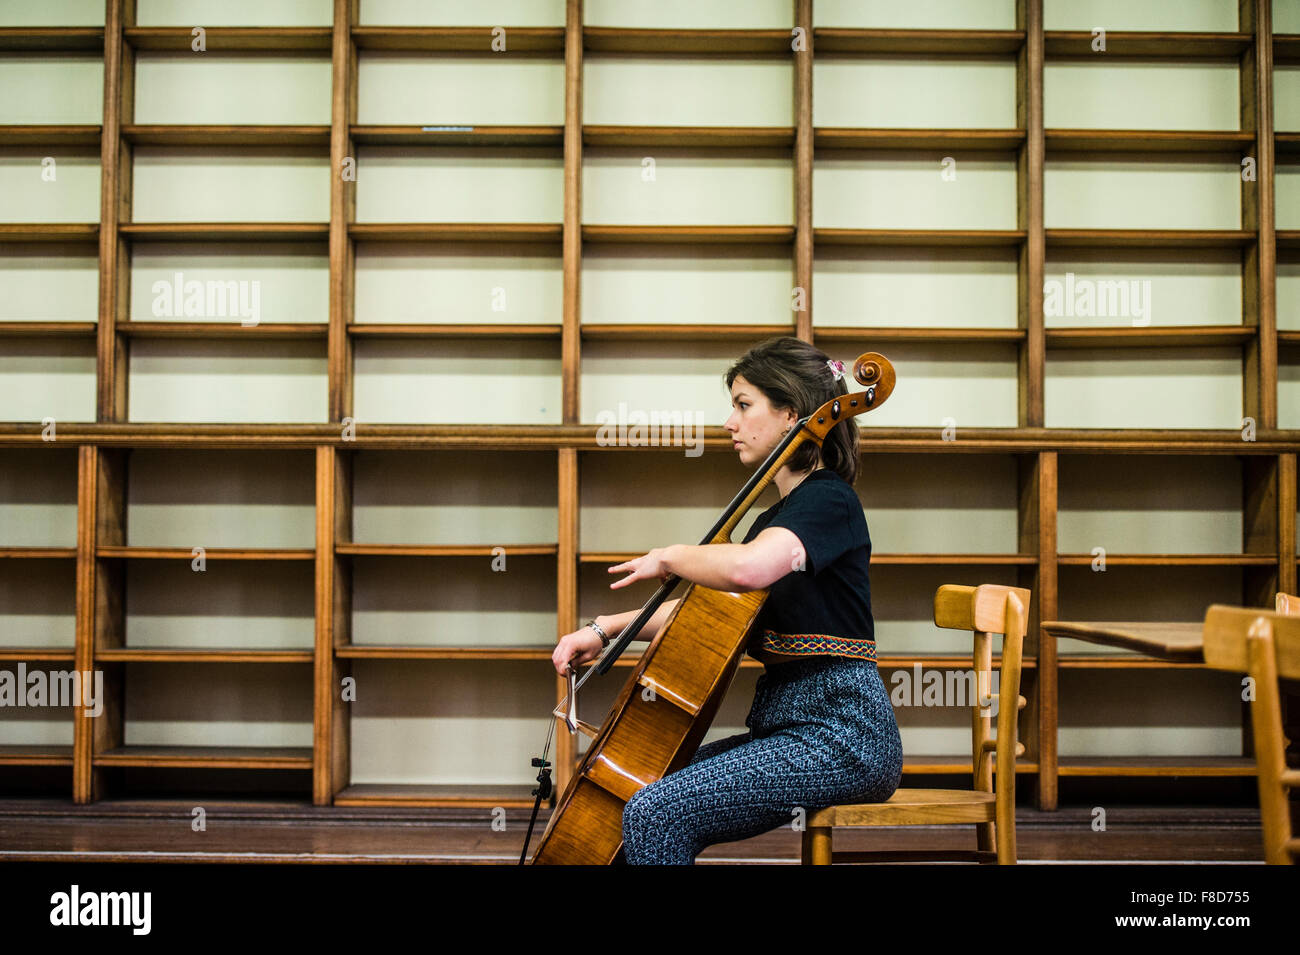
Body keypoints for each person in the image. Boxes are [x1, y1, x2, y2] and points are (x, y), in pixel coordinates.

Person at [551, 335, 903, 865]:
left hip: (845, 737)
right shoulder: (775, 520)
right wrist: (604, 631)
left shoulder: (829, 500)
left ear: (790, 414)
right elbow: (711, 613)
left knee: (657, 813)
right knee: (641, 796)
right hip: (790, 729)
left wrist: (669, 557)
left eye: (742, 405)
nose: (729, 422)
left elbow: (747, 569)